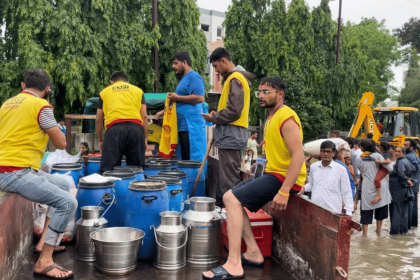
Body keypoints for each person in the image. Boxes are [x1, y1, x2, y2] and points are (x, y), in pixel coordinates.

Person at [202, 77, 306, 280]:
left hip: (284, 178)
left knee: (231, 199)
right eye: (260, 91)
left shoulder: (287, 117)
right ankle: (253, 252)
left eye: (267, 91)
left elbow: (299, 156)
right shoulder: (271, 117)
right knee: (232, 198)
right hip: (273, 173)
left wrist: (284, 191)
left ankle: (233, 264)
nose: (261, 95)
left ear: (280, 94)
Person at [0, 69, 77, 278]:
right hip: (14, 171)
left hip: (11, 168)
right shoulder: (42, 106)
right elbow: (61, 144)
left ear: (23, 86)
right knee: (68, 202)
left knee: (62, 184)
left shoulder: (6, 104)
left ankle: (44, 242)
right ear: (47, 89)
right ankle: (44, 261)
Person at [201, 47, 256, 207]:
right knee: (227, 176)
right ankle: (226, 212)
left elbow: (234, 111)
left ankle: (230, 215)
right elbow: (232, 109)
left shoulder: (235, 79)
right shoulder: (234, 79)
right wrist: (217, 114)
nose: (216, 71)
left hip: (231, 134)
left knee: (229, 179)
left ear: (223, 61)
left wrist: (214, 117)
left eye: (216, 66)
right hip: (231, 133)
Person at [156, 51, 207, 161]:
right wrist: (164, 112)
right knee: (184, 156)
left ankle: (194, 177)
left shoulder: (194, 77)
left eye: (175, 63)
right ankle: (186, 176)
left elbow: (199, 98)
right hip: (183, 124)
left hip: (191, 125)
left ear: (184, 62)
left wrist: (177, 98)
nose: (173, 66)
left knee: (191, 154)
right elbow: (180, 102)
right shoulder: (184, 79)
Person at [96, 71, 148, 174]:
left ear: (111, 82)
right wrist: (145, 138)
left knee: (108, 171)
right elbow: (145, 116)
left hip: (114, 130)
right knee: (137, 170)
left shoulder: (104, 93)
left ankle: (109, 189)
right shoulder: (138, 91)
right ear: (127, 82)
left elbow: (98, 119)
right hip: (136, 130)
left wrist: (101, 140)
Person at [300, 141, 354, 215]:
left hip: (333, 211)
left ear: (333, 153)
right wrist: (303, 188)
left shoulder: (340, 169)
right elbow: (312, 184)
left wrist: (348, 212)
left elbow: (346, 191)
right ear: (320, 152)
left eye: (328, 152)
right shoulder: (314, 167)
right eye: (323, 151)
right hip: (316, 209)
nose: (325, 154)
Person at [357, 140, 393, 236]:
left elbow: (360, 170)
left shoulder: (359, 158)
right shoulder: (378, 156)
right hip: (381, 185)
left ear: (362, 148)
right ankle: (378, 232)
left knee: (366, 210)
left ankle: (365, 234)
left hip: (366, 185)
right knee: (380, 210)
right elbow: (390, 168)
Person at [389, 146, 415, 234]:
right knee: (404, 212)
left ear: (403, 153)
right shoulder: (406, 161)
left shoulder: (400, 162)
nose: (396, 153)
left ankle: (395, 231)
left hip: (398, 190)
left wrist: (406, 180)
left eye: (399, 151)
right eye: (395, 151)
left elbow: (401, 174)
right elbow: (412, 174)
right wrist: (410, 181)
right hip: (405, 190)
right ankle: (404, 230)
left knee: (396, 211)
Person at [403, 139, 420, 228]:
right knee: (413, 204)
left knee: (409, 205)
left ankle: (407, 225)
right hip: (416, 182)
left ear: (412, 147)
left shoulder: (408, 157)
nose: (403, 146)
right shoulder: (415, 155)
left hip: (411, 183)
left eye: (406, 145)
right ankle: (413, 224)